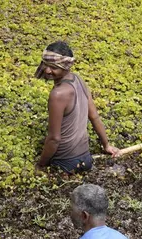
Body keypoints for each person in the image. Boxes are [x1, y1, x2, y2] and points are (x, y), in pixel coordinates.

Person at [34, 41, 120, 174]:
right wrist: (106, 145)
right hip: (86, 159)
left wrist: (40, 165)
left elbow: (54, 138)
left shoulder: (58, 94)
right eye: (46, 65)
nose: (47, 70)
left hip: (65, 163)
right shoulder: (78, 79)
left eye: (54, 67)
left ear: (66, 67)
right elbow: (94, 116)